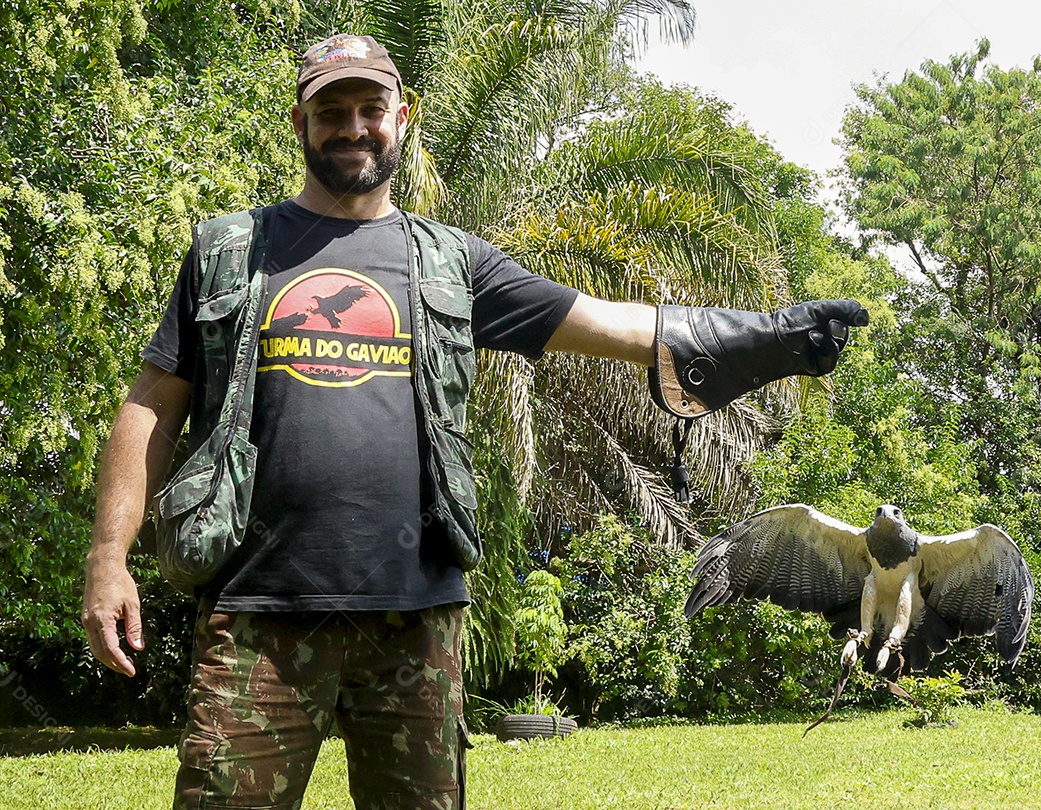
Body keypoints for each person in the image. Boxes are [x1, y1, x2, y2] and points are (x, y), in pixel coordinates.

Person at [81, 33, 867, 810]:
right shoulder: (232, 252)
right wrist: (109, 560)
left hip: (415, 622)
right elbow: (152, 403)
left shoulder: (450, 262)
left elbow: (611, 325)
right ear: (300, 123)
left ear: (404, 115)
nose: (353, 126)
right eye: (332, 112)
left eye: (370, 107)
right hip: (256, 613)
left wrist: (764, 336)